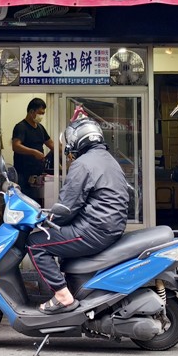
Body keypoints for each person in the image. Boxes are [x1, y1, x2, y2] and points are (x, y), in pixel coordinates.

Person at [27, 115, 130, 314]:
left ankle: (63, 297)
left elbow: (67, 207)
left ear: (78, 141)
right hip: (108, 226)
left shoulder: (83, 164)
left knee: (36, 243)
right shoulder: (108, 159)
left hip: (94, 229)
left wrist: (48, 222)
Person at [12, 98, 54, 203]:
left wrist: (65, 152)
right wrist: (34, 152)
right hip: (23, 175)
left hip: (37, 175)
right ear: (31, 112)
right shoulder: (21, 127)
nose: (41, 116)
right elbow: (16, 146)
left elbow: (51, 144)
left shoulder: (40, 128)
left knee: (37, 203)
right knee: (26, 203)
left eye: (43, 113)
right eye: (40, 113)